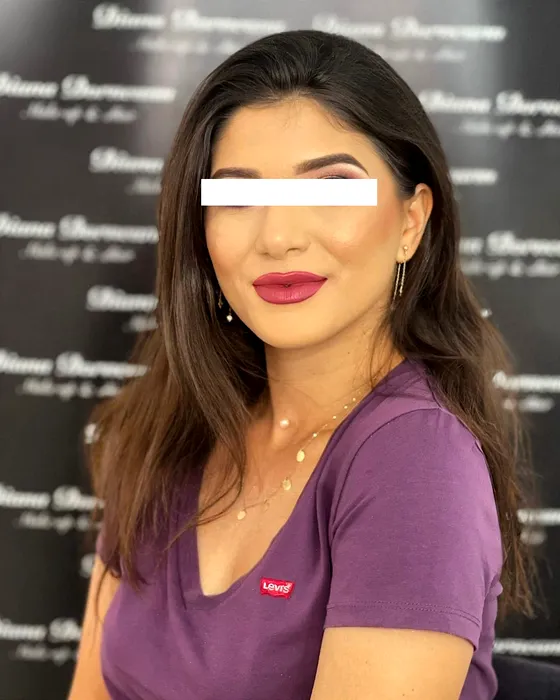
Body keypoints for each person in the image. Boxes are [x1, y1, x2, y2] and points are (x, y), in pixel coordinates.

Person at [68, 29, 541, 700]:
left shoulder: (417, 459)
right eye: (237, 197)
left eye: (332, 190)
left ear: (411, 222)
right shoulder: (167, 426)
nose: (280, 236)